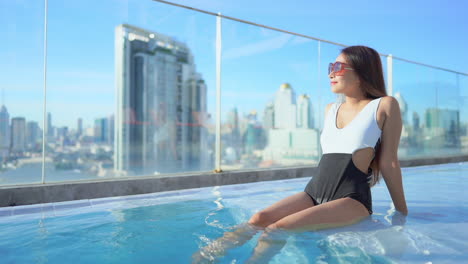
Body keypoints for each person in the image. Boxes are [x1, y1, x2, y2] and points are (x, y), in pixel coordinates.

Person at [192, 45, 408, 263]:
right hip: (313, 192)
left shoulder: (384, 105)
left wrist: (402, 213)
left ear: (362, 72)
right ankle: (202, 257)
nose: (331, 73)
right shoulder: (330, 109)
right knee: (259, 218)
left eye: (338, 67)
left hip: (351, 199)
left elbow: (388, 163)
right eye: (330, 67)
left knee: (277, 228)